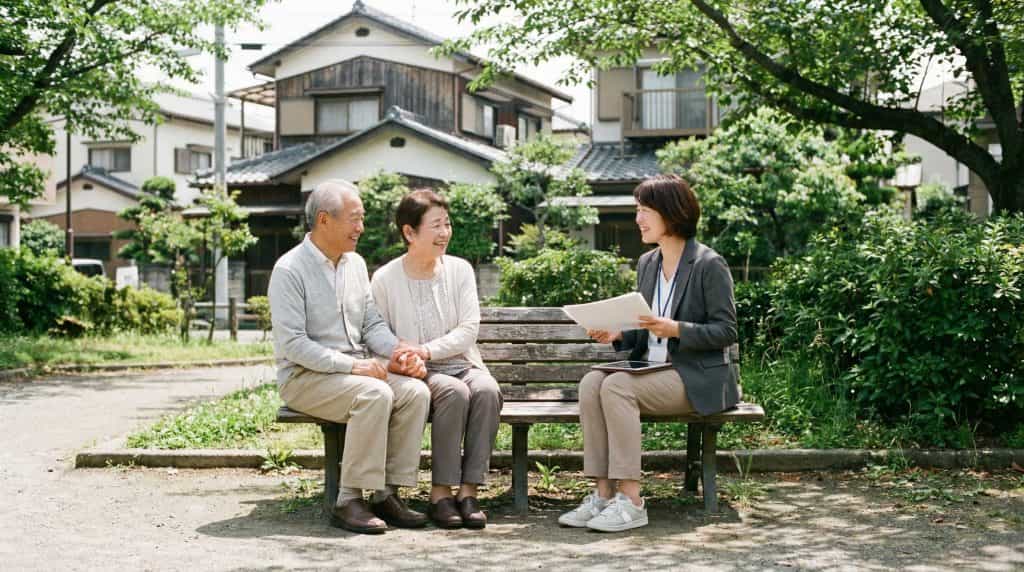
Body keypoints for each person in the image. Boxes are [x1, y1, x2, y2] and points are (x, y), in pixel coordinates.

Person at [558, 174, 739, 532]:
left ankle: (632, 500)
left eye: (644, 210)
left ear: (670, 213)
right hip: (651, 369)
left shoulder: (708, 264)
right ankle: (603, 495)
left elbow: (727, 331)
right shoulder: (648, 264)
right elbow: (642, 331)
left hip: (696, 376)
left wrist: (676, 329)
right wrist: (617, 333)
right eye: (637, 210)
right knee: (592, 382)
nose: (637, 219)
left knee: (616, 386)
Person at [268, 179, 431, 535]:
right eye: (354, 219)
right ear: (324, 220)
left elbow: (371, 324)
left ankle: (387, 493)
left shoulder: (355, 264)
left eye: (362, 218)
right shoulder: (289, 270)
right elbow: (294, 344)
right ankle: (349, 499)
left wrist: (398, 353)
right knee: (375, 393)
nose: (361, 227)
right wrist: (354, 365)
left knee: (415, 392)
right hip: (304, 377)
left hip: (352, 374)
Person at [371, 189, 501, 530]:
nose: (445, 233)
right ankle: (440, 493)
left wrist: (425, 349)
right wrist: (407, 356)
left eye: (448, 224)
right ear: (409, 233)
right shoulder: (385, 278)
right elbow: (378, 332)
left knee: (486, 390)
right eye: (436, 225)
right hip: (417, 373)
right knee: (453, 393)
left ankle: (469, 492)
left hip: (461, 362)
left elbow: (469, 329)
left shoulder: (460, 270)